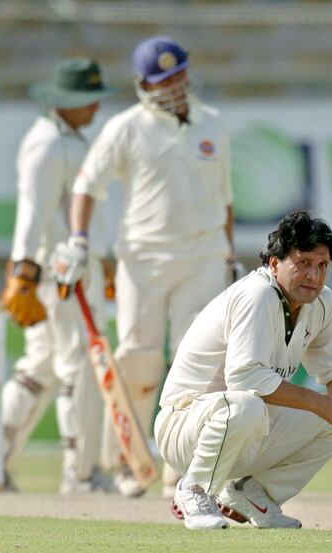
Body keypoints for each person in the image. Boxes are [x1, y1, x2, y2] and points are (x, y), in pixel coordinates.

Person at [51, 36, 236, 497]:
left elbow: (225, 199)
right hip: (144, 259)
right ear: (142, 84)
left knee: (200, 364)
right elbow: (87, 186)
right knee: (138, 360)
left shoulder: (213, 124)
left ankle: (184, 467)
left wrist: (229, 257)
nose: (174, 85)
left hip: (204, 257)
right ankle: (128, 462)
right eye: (163, 79)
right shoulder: (126, 127)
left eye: (179, 75)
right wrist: (78, 240)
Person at [154, 211, 332, 530]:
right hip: (184, 425)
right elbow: (246, 379)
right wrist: (322, 403)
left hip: (245, 425)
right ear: (274, 263)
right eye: (303, 263)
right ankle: (194, 489)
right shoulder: (256, 294)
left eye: (322, 265)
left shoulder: (323, 303)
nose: (313, 274)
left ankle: (254, 492)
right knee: (247, 404)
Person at [0, 58, 117, 494]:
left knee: (41, 367)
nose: (94, 107)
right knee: (76, 368)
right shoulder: (47, 144)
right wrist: (23, 271)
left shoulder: (66, 139)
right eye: (86, 99)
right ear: (62, 102)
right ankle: (79, 474)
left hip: (70, 270)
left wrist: (104, 258)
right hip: (59, 275)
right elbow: (33, 213)